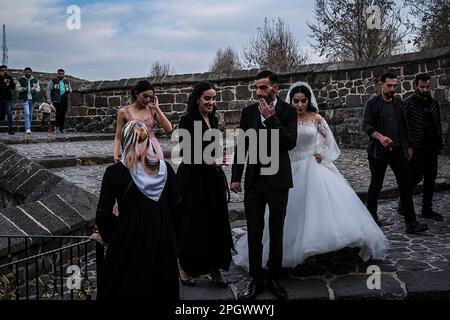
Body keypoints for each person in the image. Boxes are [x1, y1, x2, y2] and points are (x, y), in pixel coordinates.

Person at [233, 82, 389, 271]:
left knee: (318, 209)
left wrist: (321, 153)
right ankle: (295, 252)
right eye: (296, 101)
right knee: (290, 214)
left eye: (303, 101)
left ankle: (318, 248)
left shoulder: (316, 118)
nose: (299, 105)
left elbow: (329, 141)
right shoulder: (285, 117)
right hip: (288, 168)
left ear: (308, 101)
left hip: (312, 167)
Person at [230, 70, 297, 300]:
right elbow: (242, 146)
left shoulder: (288, 111)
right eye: (256, 88)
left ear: (275, 88)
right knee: (254, 231)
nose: (259, 92)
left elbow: (290, 143)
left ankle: (273, 277)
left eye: (264, 88)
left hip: (278, 180)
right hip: (255, 181)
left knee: (276, 230)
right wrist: (236, 176)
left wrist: (272, 119)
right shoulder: (248, 112)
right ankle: (257, 279)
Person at [95, 120, 180, 300]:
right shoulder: (166, 169)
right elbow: (178, 206)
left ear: (126, 141)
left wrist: (108, 237)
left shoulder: (114, 172)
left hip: (128, 240)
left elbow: (103, 213)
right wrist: (172, 235)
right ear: (147, 140)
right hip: (162, 239)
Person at [176, 82, 233, 288]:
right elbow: (186, 153)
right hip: (192, 179)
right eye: (207, 98)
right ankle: (185, 265)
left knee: (216, 222)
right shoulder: (187, 121)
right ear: (197, 99)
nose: (211, 102)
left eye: (214, 98)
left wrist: (220, 156)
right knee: (193, 222)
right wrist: (211, 160)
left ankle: (215, 267)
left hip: (212, 179)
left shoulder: (214, 120)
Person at [362, 72, 428, 234]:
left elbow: (405, 126)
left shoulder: (399, 103)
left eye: (394, 85)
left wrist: (409, 147)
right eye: (389, 85)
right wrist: (380, 137)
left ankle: (411, 223)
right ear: (381, 85)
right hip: (378, 151)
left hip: (398, 150)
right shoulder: (372, 104)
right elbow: (367, 126)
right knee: (376, 185)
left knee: (405, 184)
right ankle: (371, 218)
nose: (392, 88)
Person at [399, 74, 444, 221]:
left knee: (431, 178)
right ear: (415, 86)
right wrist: (408, 146)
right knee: (414, 177)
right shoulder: (408, 103)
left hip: (431, 147)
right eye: (422, 87)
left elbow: (437, 124)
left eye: (427, 87)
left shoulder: (434, 103)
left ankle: (427, 209)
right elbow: (404, 128)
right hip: (416, 147)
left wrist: (439, 142)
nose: (425, 90)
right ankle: (403, 203)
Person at [113, 80, 172, 162]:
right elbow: (118, 137)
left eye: (151, 97)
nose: (148, 99)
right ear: (136, 93)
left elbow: (169, 129)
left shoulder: (152, 110)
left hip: (153, 149)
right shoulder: (124, 112)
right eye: (145, 96)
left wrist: (157, 109)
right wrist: (115, 155)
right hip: (133, 152)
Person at [46, 68, 72, 134]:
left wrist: (69, 90)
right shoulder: (53, 81)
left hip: (65, 99)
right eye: (59, 74)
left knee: (63, 114)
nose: (61, 75)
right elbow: (48, 89)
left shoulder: (66, 82)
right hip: (56, 100)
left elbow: (70, 90)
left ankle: (62, 128)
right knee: (59, 113)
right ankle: (57, 128)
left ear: (64, 74)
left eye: (62, 74)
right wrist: (48, 98)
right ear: (57, 74)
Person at [17, 67, 41, 134]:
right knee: (27, 113)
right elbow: (17, 88)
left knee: (30, 114)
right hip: (24, 99)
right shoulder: (21, 79)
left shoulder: (35, 80)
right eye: (26, 72)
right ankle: (27, 129)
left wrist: (35, 89)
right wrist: (23, 89)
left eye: (29, 72)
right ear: (24, 72)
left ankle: (28, 127)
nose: (28, 73)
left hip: (32, 99)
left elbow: (39, 89)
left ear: (31, 72)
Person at [0, 65, 16, 135]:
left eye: (5, 70)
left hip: (8, 99)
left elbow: (13, 87)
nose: (4, 71)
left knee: (9, 113)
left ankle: (10, 129)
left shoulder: (9, 77)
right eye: (2, 69)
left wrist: (9, 83)